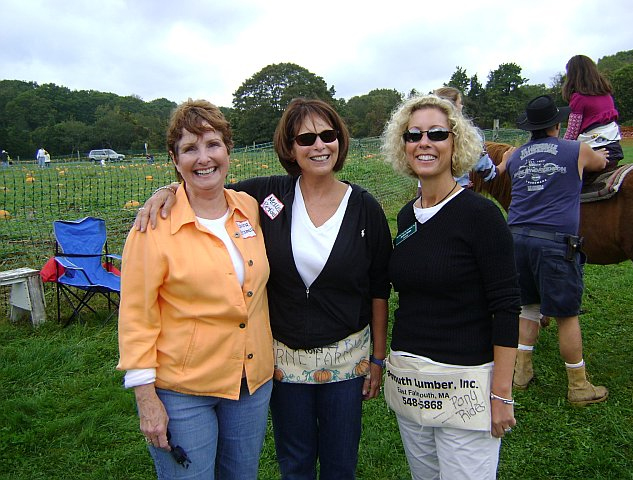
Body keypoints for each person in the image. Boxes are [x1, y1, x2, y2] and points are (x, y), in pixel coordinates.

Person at [136, 98, 393, 480]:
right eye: (306, 138)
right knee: (295, 461)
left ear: (340, 141)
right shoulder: (268, 196)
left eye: (328, 135)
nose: (319, 145)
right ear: (290, 148)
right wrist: (167, 191)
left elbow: (378, 288)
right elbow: (205, 185)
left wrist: (377, 356)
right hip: (283, 362)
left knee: (341, 464)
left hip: (345, 360)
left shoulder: (364, 207)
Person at [117, 99, 274, 479]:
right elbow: (137, 315)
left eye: (212, 144)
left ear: (228, 150)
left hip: (249, 384)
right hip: (183, 392)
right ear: (175, 159)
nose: (203, 158)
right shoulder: (153, 227)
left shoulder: (248, 207)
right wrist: (145, 397)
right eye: (190, 148)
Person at [381, 94, 520, 479]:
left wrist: (501, 394)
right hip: (412, 385)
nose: (424, 142)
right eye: (414, 135)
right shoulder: (407, 215)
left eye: (437, 133)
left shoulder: (481, 216)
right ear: (403, 145)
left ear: (456, 144)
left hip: (466, 387)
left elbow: (506, 306)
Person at [501, 95, 608, 406]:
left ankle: (521, 374)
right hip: (555, 242)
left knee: (528, 308)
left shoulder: (517, 156)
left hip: (517, 238)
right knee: (566, 315)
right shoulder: (576, 149)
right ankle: (578, 386)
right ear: (557, 124)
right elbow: (601, 164)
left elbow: (503, 168)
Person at [562, 54, 623, 182]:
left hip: (594, 152)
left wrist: (559, 148)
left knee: (563, 177)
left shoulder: (578, 98)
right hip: (614, 150)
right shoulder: (607, 95)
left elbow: (572, 133)